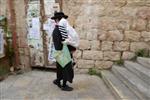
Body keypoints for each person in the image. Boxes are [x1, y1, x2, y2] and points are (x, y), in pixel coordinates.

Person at [51, 12, 74, 91]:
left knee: (60, 68)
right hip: (63, 52)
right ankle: (64, 85)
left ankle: (58, 81)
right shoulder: (60, 29)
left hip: (58, 51)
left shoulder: (56, 29)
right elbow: (65, 41)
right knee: (66, 69)